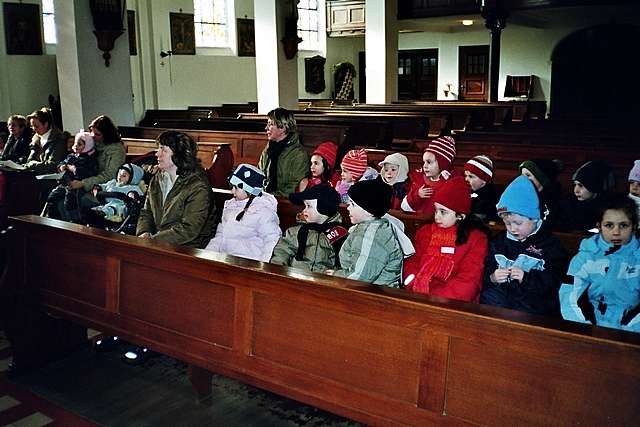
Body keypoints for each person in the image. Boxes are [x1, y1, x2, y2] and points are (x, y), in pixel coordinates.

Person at [480, 175, 568, 316]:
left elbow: (554, 281)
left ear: (534, 219)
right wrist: (492, 277)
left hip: (531, 308)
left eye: (518, 223)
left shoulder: (550, 245)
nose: (512, 229)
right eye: (508, 223)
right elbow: (485, 268)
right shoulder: (499, 242)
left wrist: (526, 278)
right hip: (498, 303)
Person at [559, 194, 640, 332]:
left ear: (634, 227)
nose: (616, 232)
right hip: (590, 324)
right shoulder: (586, 257)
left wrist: (628, 332)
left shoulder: (637, 258)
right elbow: (569, 295)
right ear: (599, 226)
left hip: (632, 329)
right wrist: (585, 327)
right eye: (609, 225)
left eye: (623, 225)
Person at [403, 177, 490, 302]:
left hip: (452, 302)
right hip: (418, 294)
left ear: (460, 215)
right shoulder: (426, 232)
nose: (437, 216)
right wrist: (415, 285)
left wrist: (437, 298)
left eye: (443, 212)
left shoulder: (476, 239)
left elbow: (469, 279)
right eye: (436, 210)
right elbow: (412, 263)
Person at [136, 130, 216, 249]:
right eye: (159, 149)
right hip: (158, 243)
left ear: (178, 154)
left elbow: (189, 229)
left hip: (188, 247)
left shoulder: (197, 185)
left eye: (163, 149)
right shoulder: (158, 178)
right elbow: (146, 212)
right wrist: (143, 233)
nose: (157, 154)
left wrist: (153, 240)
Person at [331, 179, 408, 287]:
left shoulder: (372, 236)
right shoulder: (367, 227)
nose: (348, 208)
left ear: (368, 210)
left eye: (353, 204)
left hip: (377, 295)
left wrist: (334, 276)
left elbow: (359, 277)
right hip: (367, 289)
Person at [205, 164, 281, 262]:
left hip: (249, 264)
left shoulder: (263, 211)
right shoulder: (230, 206)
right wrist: (208, 254)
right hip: (226, 260)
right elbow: (221, 235)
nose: (232, 191)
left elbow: (271, 240)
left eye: (236, 188)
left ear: (249, 190)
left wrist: (263, 265)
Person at [56, 115, 127, 221]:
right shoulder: (92, 144)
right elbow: (76, 160)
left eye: (97, 134)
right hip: (84, 180)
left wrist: (83, 183)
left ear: (106, 135)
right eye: (92, 132)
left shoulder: (116, 150)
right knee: (57, 195)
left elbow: (110, 175)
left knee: (72, 200)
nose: (93, 136)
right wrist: (65, 167)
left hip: (102, 188)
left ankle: (75, 229)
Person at [271, 184, 347, 272]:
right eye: (305, 206)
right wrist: (278, 270)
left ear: (324, 208)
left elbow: (344, 261)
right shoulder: (296, 232)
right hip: (295, 276)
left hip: (322, 280)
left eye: (309, 206)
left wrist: (335, 275)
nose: (304, 210)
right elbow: (283, 251)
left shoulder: (339, 234)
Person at [45, 131, 99, 221]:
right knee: (52, 196)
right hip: (65, 182)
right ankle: (51, 219)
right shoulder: (72, 155)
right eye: (75, 143)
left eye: (79, 144)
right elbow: (62, 163)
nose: (76, 146)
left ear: (87, 146)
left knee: (70, 201)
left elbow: (86, 172)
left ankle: (75, 222)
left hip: (77, 185)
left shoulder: (90, 159)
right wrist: (61, 167)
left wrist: (73, 168)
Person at [258, 107, 308, 197]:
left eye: (270, 124)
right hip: (265, 198)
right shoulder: (268, 149)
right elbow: (259, 174)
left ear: (283, 127)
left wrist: (271, 197)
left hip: (284, 202)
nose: (266, 128)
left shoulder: (298, 154)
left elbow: (295, 186)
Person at [401, 136, 457, 218]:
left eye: (429, 162)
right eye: (424, 162)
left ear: (443, 164)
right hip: (417, 221)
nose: (425, 166)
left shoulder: (451, 183)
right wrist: (417, 195)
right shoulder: (419, 180)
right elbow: (405, 207)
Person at [556, 160, 615, 231]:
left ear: (595, 186)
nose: (576, 190)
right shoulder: (567, 204)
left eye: (581, 185)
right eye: (575, 184)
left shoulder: (609, 208)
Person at [519, 158, 563, 227]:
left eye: (528, 175)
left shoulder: (555, 202)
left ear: (541, 178)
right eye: (522, 175)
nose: (523, 179)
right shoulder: (520, 196)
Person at [24, 107, 67, 174]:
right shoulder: (35, 139)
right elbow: (29, 160)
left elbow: (53, 165)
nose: (34, 129)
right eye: (32, 126)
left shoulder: (59, 139)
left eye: (36, 126)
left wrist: (33, 165)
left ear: (46, 124)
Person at [463, 154, 498, 221]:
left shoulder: (489, 196)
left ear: (484, 180)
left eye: (471, 176)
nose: (466, 179)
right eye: (465, 175)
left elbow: (480, 214)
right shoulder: (466, 190)